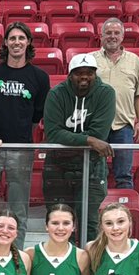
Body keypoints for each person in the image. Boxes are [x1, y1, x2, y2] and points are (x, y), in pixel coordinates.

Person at [0, 22, 49, 246]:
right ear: (5, 43)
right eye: (12, 38)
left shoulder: (39, 77)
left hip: (21, 150)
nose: (17, 42)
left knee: (19, 208)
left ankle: (16, 255)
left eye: (21, 38)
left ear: (28, 43)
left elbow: (37, 116)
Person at [42, 54, 115, 243]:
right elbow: (53, 134)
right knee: (59, 221)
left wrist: (84, 139)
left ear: (95, 74)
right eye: (78, 73)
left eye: (89, 73)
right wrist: (89, 140)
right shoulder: (56, 94)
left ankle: (88, 268)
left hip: (92, 167)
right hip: (58, 166)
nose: (84, 77)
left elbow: (100, 133)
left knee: (89, 224)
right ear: (69, 75)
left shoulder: (105, 93)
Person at [91, 18, 139, 190]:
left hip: (124, 127)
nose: (112, 36)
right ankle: (95, 214)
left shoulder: (134, 61)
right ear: (101, 36)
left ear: (123, 36)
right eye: (108, 33)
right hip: (96, 126)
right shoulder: (90, 60)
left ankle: (124, 214)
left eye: (116, 33)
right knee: (95, 175)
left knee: (124, 175)